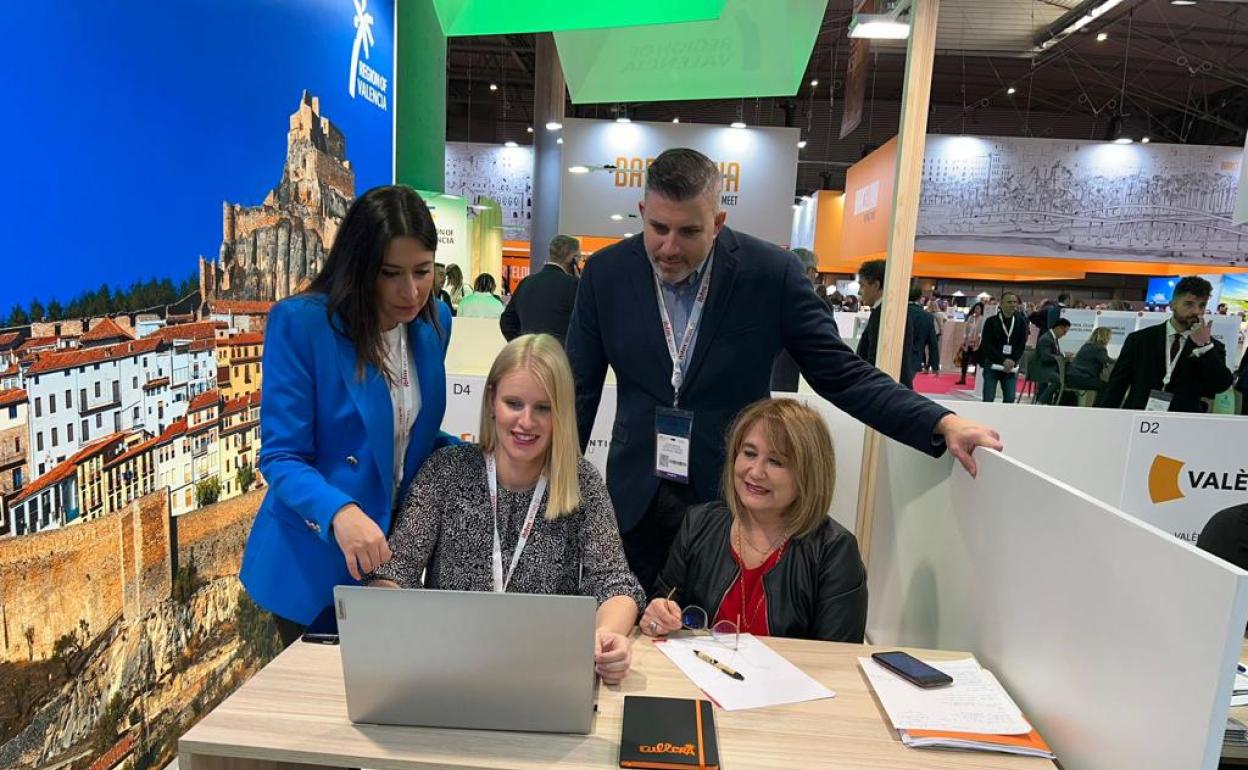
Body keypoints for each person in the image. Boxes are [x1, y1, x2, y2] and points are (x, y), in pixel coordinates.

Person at [565, 148, 1001, 592]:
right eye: (658, 228)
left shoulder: (770, 275)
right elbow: (577, 390)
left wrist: (938, 420)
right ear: (642, 212)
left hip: (735, 500)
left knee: (719, 641)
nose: (669, 247)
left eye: (689, 231)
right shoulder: (606, 274)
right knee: (626, 636)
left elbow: (840, 372)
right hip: (634, 497)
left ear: (717, 224)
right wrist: (556, 485)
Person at [239, 185, 454, 646]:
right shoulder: (302, 325)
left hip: (390, 562)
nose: (411, 290)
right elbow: (282, 457)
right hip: (311, 563)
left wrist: (474, 456)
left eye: (423, 271)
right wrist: (339, 511)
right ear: (359, 268)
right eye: (391, 273)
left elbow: (405, 434)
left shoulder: (436, 322)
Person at [367, 334, 644, 684]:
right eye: (514, 403)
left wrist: (610, 636)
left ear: (561, 413)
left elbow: (614, 582)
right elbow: (397, 569)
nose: (526, 422)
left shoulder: (580, 481)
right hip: (449, 669)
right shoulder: (447, 471)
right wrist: (390, 616)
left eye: (543, 408)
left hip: (544, 674)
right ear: (491, 401)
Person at [639, 399, 866, 642]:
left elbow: (837, 661)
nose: (756, 472)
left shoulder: (835, 550)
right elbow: (662, 611)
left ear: (808, 474)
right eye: (749, 453)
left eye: (775, 461)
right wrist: (657, 618)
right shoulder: (698, 523)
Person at [1103, 276, 1234, 413]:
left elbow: (1220, 386)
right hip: (1139, 417)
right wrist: (1105, 420)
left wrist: (1204, 347)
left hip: (1182, 422)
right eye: (1189, 304)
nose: (1196, 311)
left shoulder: (1211, 346)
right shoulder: (1140, 340)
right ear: (1172, 305)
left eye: (1202, 305)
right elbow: (1117, 386)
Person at [500, 234, 581, 345]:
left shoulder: (526, 282)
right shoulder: (574, 285)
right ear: (571, 259)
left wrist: (524, 345)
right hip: (559, 357)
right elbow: (584, 326)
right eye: (579, 258)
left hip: (531, 355)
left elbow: (506, 322)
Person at [856, 260, 917, 388]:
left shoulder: (885, 315)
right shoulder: (889, 312)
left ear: (876, 285)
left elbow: (875, 359)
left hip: (884, 391)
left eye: (862, 285)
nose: (860, 292)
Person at [979, 290, 1029, 403]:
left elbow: (1021, 345)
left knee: (1010, 398)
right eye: (1009, 302)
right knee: (988, 397)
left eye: (1014, 302)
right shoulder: (991, 321)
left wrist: (1012, 360)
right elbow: (987, 345)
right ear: (1001, 304)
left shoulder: (1021, 322)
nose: (1012, 305)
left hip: (1010, 366)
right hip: (992, 364)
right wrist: (1003, 360)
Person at [1066, 326, 1114, 400]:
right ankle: (1098, 408)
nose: (1110, 339)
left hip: (1071, 377)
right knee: (1106, 387)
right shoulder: (1099, 348)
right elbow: (1106, 360)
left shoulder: (1086, 345)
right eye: (1109, 337)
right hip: (1081, 378)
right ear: (1105, 337)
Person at [1032, 318, 1070, 405]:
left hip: (1046, 367)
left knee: (1058, 378)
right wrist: (1063, 356)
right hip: (1041, 368)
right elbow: (1046, 357)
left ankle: (1044, 401)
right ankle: (1041, 401)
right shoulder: (1046, 339)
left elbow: (1052, 354)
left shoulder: (1052, 338)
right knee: (1059, 380)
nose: (1064, 335)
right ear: (1059, 328)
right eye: (1064, 332)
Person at [906, 287, 939, 377]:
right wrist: (935, 365)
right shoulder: (927, 317)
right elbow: (933, 343)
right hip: (914, 359)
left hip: (892, 356)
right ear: (920, 297)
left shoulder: (899, 312)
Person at [956, 301, 985, 385]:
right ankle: (963, 378)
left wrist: (978, 340)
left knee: (976, 361)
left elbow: (981, 332)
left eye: (978, 308)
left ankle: (977, 379)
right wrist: (964, 340)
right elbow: (966, 330)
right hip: (968, 342)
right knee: (964, 360)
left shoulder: (983, 319)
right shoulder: (971, 318)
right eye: (975, 308)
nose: (976, 310)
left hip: (977, 343)